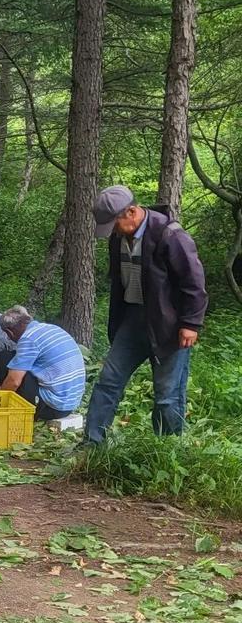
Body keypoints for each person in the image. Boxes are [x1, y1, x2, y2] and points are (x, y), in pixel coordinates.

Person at [84, 185, 208, 442]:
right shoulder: (118, 239)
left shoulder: (171, 236)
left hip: (168, 326)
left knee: (167, 395)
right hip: (131, 321)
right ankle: (91, 446)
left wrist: (191, 323)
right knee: (108, 382)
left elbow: (193, 283)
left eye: (114, 224)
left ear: (131, 211)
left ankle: (167, 451)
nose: (113, 231)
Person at [0, 306, 85, 421]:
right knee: (15, 359)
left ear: (9, 332)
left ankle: (16, 410)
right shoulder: (51, 328)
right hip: (70, 404)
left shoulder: (28, 338)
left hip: (52, 407)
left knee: (3, 358)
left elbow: (14, 381)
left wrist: (0, 402)